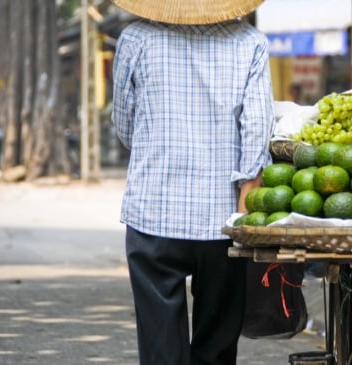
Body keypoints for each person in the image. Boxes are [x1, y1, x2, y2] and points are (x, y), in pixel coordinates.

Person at [110, 0, 275, 364]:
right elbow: (258, 131)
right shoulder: (250, 43)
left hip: (153, 211)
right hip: (223, 218)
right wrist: (246, 201)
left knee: (160, 347)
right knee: (216, 347)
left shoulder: (135, 39)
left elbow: (124, 125)